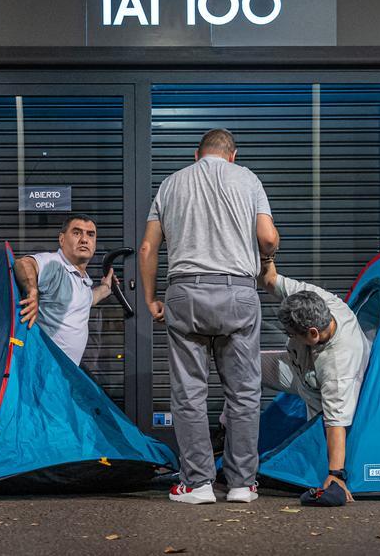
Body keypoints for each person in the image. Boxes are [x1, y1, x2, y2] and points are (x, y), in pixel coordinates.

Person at [139, 128, 279, 505]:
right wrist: (267, 263)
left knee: (189, 393)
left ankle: (198, 483)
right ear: (232, 155)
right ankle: (241, 484)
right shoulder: (248, 179)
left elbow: (149, 246)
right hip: (238, 291)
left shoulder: (171, 183)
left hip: (186, 291)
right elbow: (267, 238)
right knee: (245, 393)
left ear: (196, 154)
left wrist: (152, 297)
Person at [259, 258, 371, 505]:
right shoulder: (315, 298)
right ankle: (226, 436)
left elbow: (336, 423)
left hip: (318, 394)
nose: (288, 337)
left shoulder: (339, 364)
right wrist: (265, 255)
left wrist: (336, 475)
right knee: (244, 367)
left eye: (292, 334)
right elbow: (270, 280)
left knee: (319, 439)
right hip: (299, 369)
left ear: (312, 333)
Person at [12, 215, 114, 366]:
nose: (84, 239)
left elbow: (86, 300)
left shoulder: (80, 278)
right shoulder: (55, 265)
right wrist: (32, 291)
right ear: (62, 239)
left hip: (63, 373)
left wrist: (105, 288)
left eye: (90, 234)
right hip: (42, 369)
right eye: (77, 233)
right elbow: (24, 263)